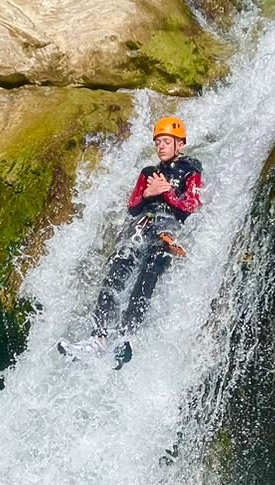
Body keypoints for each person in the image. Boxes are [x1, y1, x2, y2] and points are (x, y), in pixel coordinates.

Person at [58, 116, 203, 368]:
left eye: (166, 141)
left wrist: (166, 192)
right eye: (158, 142)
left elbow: (191, 205)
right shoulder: (148, 173)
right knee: (116, 271)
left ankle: (126, 337)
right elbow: (133, 205)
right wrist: (149, 193)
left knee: (147, 276)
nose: (161, 146)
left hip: (167, 228)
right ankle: (98, 338)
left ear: (180, 144)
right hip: (141, 226)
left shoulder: (190, 171)